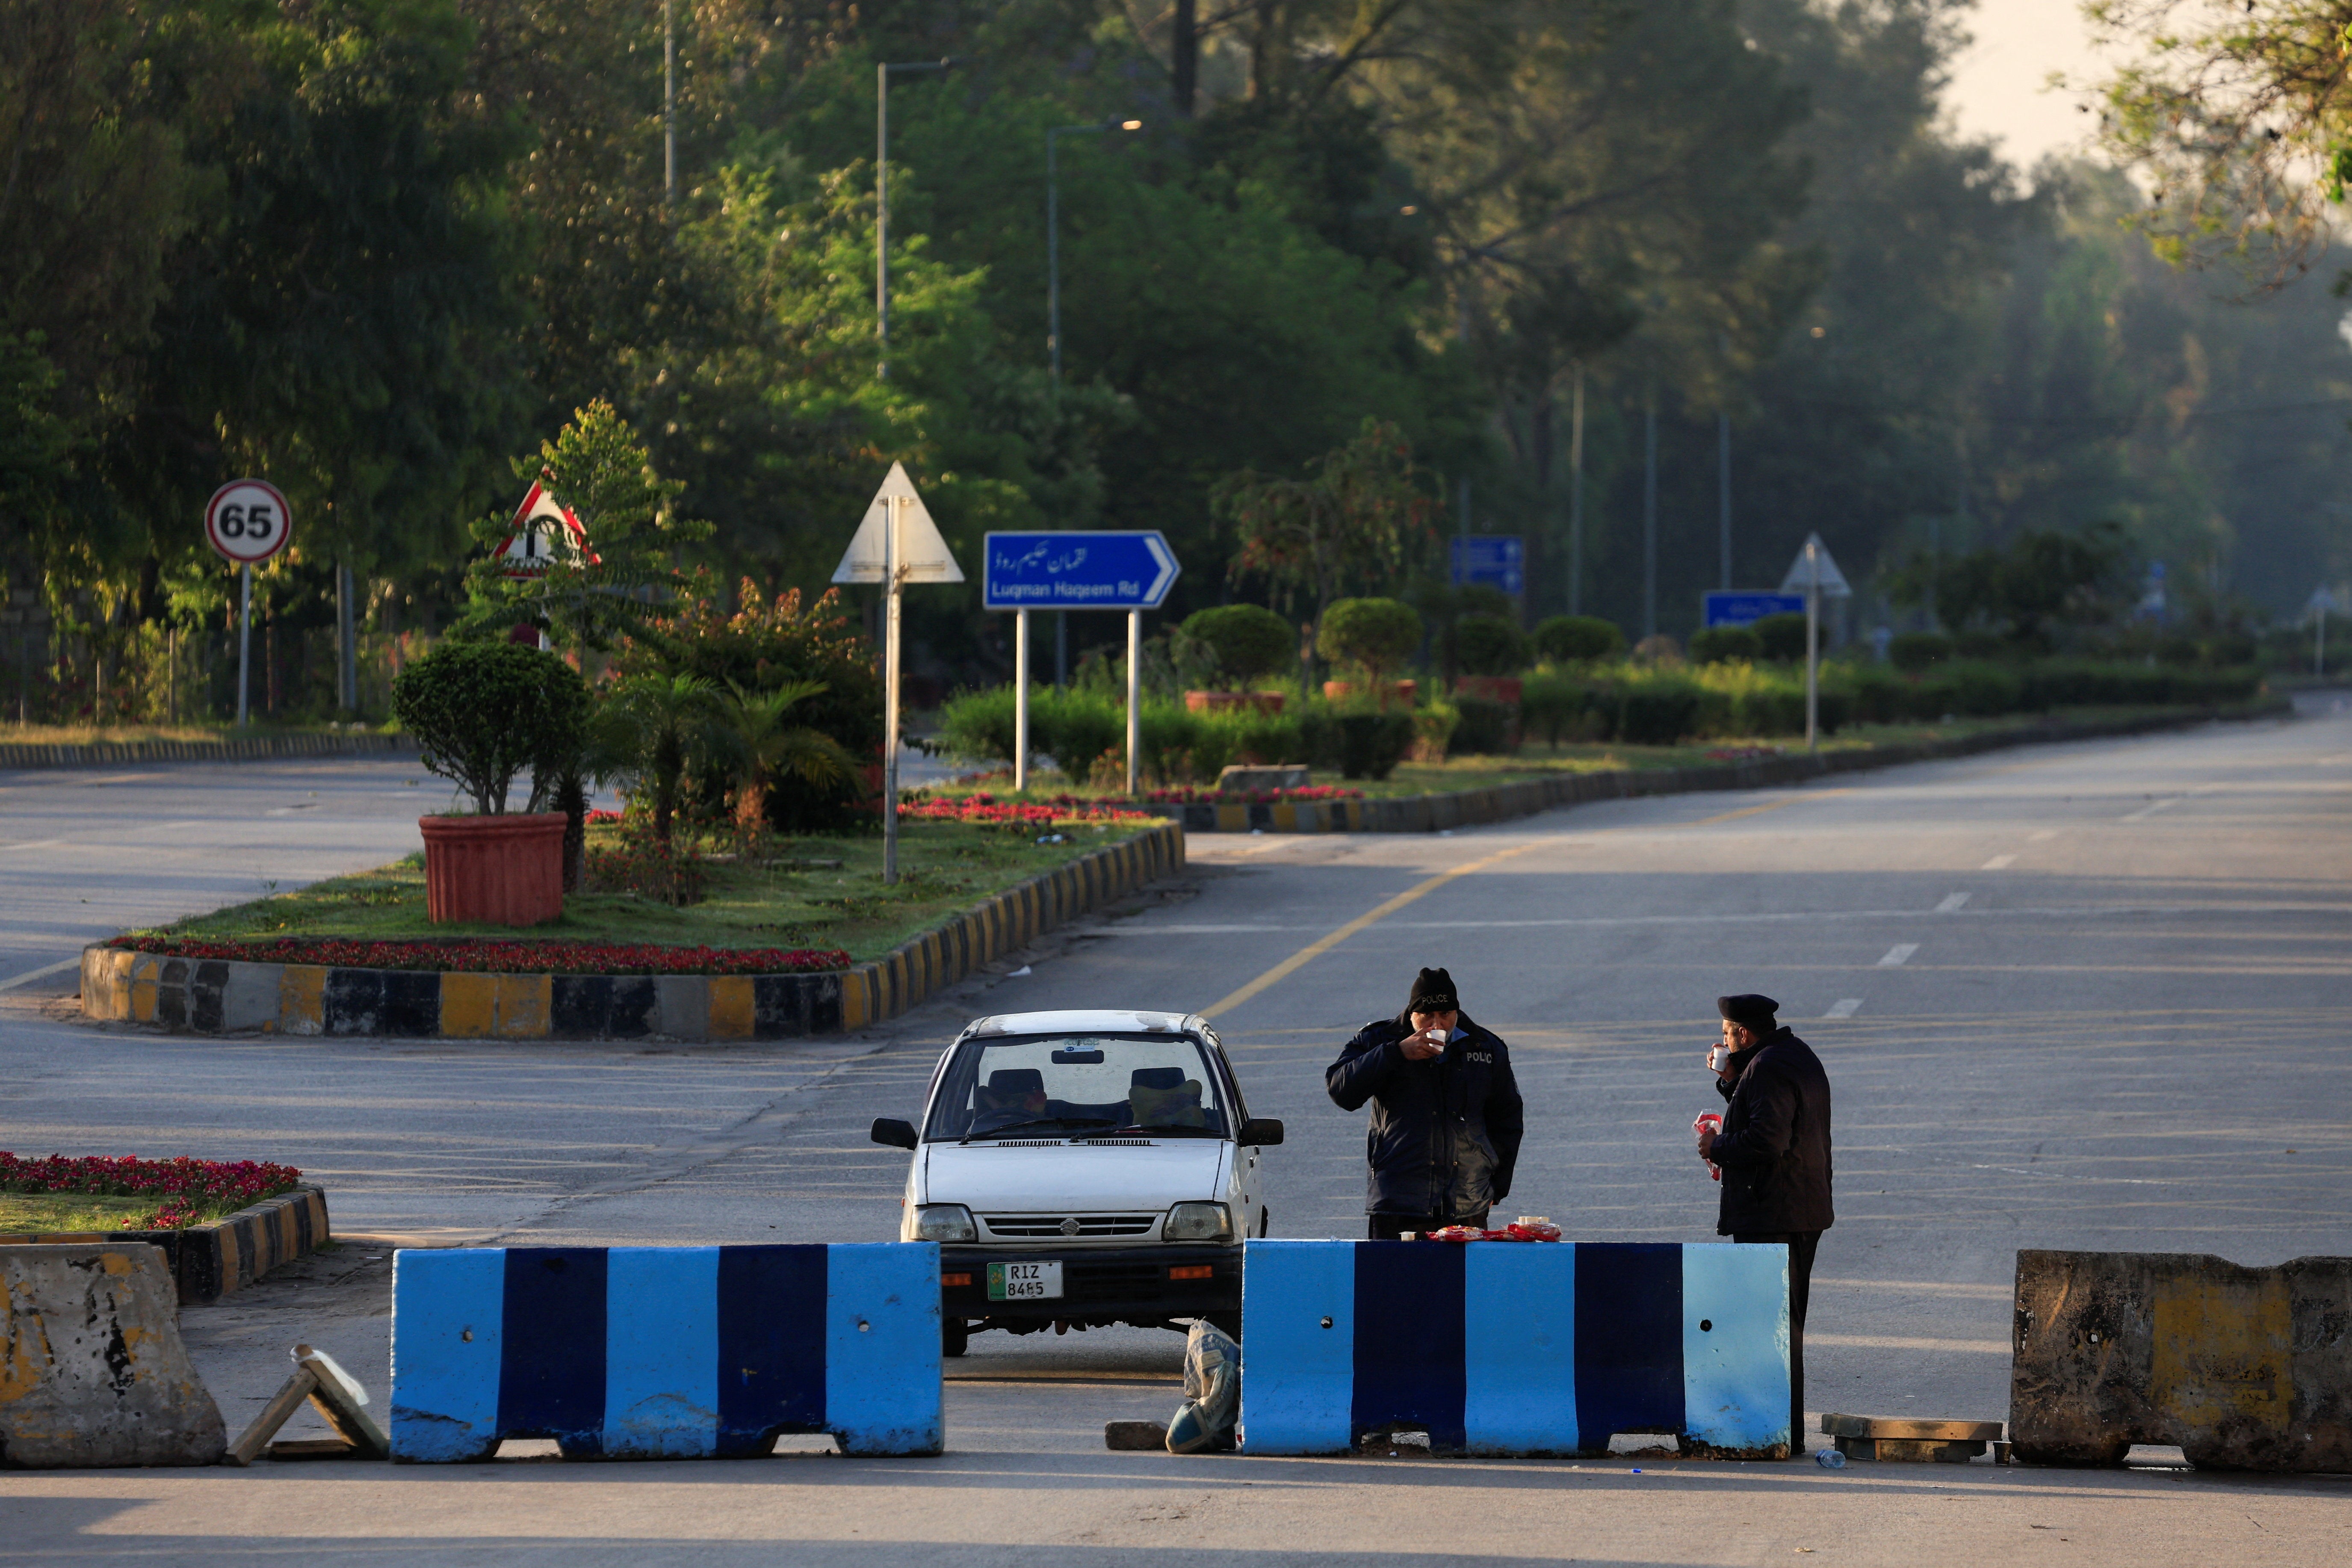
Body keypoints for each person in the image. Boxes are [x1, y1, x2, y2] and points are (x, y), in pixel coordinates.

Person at [1695, 992, 1833, 1451]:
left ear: (1742, 1033)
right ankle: (1782, 1428)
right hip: (1797, 1209)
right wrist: (1731, 1080)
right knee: (1782, 1323)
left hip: (1773, 1212)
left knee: (1772, 1327)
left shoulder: (1769, 1066)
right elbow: (1770, 1116)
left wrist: (1716, 1146)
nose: (1723, 1043)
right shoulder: (1792, 1056)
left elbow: (1765, 1139)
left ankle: (1780, 1431)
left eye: (1725, 1035)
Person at [1326, 966, 1524, 1240]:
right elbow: (1341, 1091)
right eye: (1427, 1015)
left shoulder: (1485, 1048)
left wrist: (1497, 1187)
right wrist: (1396, 1053)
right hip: (1399, 1199)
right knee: (1397, 1281)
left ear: (1456, 1012)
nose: (1437, 1024)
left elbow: (1507, 1119)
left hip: (1467, 1200)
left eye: (1445, 1014)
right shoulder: (1380, 1039)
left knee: (1462, 1282)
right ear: (1411, 1014)